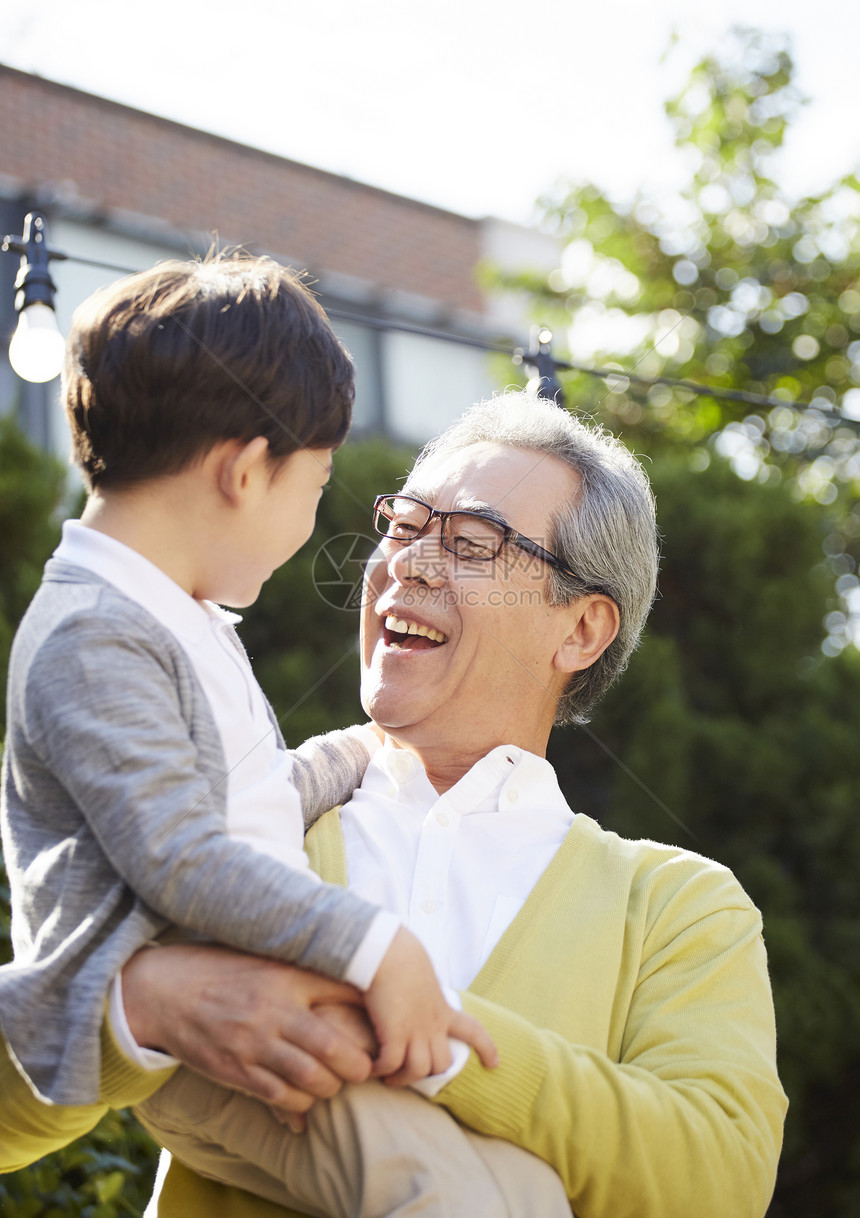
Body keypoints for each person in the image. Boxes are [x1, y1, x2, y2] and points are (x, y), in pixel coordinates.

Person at [2, 388, 788, 1217]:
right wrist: (148, 1007)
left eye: (475, 542)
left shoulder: (678, 905)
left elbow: (720, 1178)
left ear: (582, 630)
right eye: (406, 526)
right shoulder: (240, 824)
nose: (408, 561)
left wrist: (426, 1033)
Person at [0, 254, 531, 1218]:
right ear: (245, 471)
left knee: (524, 1187)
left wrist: (356, 753)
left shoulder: (175, 616)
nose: (322, 510)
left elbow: (247, 801)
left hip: (243, 1010)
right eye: (319, 480)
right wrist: (382, 949)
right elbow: (185, 860)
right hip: (211, 1042)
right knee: (436, 1191)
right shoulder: (95, 635)